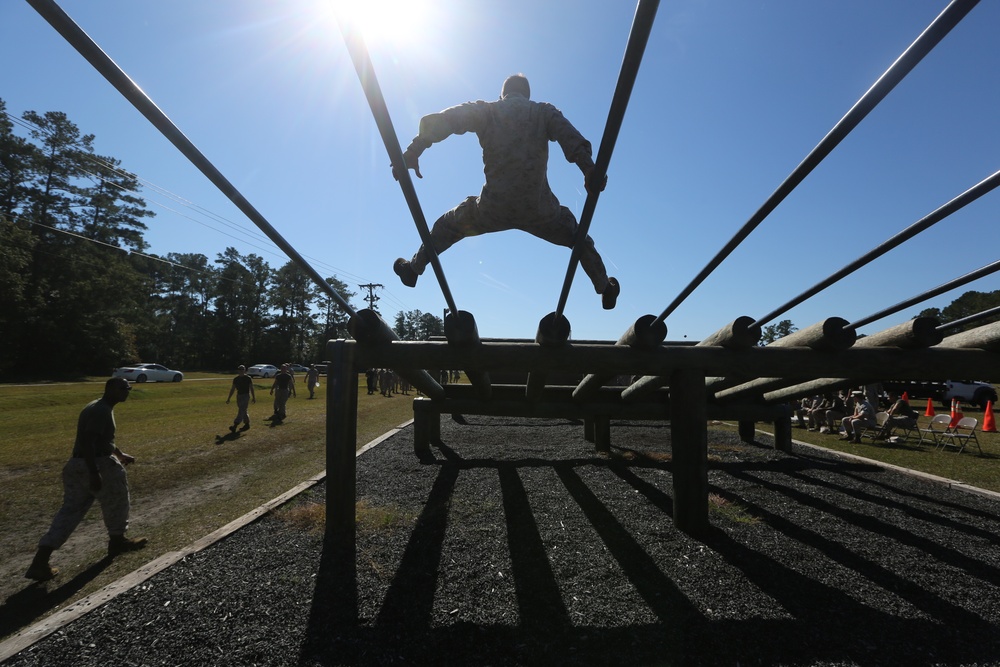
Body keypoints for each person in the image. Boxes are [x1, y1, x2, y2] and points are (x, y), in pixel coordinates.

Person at [391, 73, 620, 310]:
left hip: (492, 208)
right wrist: (588, 169)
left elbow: (449, 119)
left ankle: (414, 269)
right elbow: (569, 137)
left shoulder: (488, 110)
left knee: (447, 225)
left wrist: (414, 149)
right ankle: (604, 287)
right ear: (527, 95)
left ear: (502, 94)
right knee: (578, 236)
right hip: (540, 210)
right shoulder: (542, 112)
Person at [25, 377, 147, 581]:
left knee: (69, 512)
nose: (126, 391)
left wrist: (119, 454)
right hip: (96, 465)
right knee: (117, 502)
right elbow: (87, 441)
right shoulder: (101, 411)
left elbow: (102, 439)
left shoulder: (98, 406)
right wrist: (94, 472)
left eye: (129, 388)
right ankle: (118, 541)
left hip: (76, 466)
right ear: (109, 389)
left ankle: (40, 560)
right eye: (122, 388)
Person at [225, 365, 256, 432]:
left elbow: (251, 388)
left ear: (245, 370)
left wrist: (253, 397)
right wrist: (229, 398)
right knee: (243, 410)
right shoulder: (236, 379)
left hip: (246, 395)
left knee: (241, 410)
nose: (241, 371)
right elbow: (233, 389)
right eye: (240, 369)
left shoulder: (248, 378)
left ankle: (235, 425)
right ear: (238, 370)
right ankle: (247, 424)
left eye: (242, 369)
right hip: (239, 396)